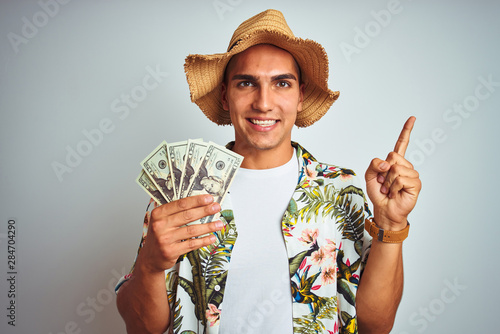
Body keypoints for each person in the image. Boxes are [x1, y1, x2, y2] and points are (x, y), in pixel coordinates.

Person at [116, 9, 421, 334]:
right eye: (246, 83)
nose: (263, 102)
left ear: (300, 95)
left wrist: (392, 224)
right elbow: (141, 328)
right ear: (225, 95)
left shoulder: (340, 190)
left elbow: (377, 325)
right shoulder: (180, 191)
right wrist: (149, 265)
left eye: (282, 83)